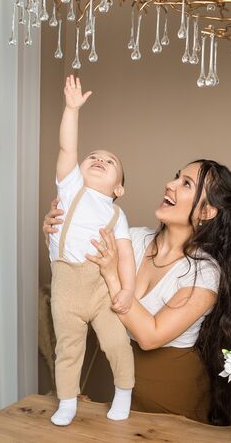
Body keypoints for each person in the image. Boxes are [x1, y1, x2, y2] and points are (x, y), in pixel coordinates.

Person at [44, 159, 231, 426]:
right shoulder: (133, 240)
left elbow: (150, 336)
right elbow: (74, 269)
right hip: (122, 397)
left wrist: (112, 277)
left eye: (186, 184)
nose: (169, 185)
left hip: (176, 404)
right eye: (176, 176)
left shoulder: (204, 273)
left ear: (207, 212)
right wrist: (56, 231)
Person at [48, 75, 136, 426]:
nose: (98, 160)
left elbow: (126, 254)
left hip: (101, 288)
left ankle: (125, 391)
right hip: (66, 285)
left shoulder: (117, 213)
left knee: (116, 343)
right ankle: (67, 401)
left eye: (109, 161)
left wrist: (126, 289)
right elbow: (68, 148)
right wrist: (71, 110)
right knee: (68, 349)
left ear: (119, 188)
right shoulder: (70, 189)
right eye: (93, 157)